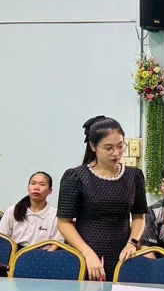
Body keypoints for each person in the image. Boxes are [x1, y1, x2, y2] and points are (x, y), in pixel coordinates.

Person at [57, 116, 148, 281]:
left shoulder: (134, 176)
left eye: (120, 146)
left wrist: (132, 243)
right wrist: (87, 253)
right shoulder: (76, 177)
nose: (116, 153)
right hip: (86, 255)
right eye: (109, 148)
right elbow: (64, 223)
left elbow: (139, 216)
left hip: (124, 253)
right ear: (93, 146)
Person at [0, 172, 63, 250]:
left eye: (42, 184)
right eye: (33, 183)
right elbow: (2, 236)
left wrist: (45, 256)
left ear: (50, 191)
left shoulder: (55, 215)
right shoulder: (13, 210)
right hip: (15, 253)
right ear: (28, 188)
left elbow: (56, 243)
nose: (36, 188)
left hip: (43, 254)